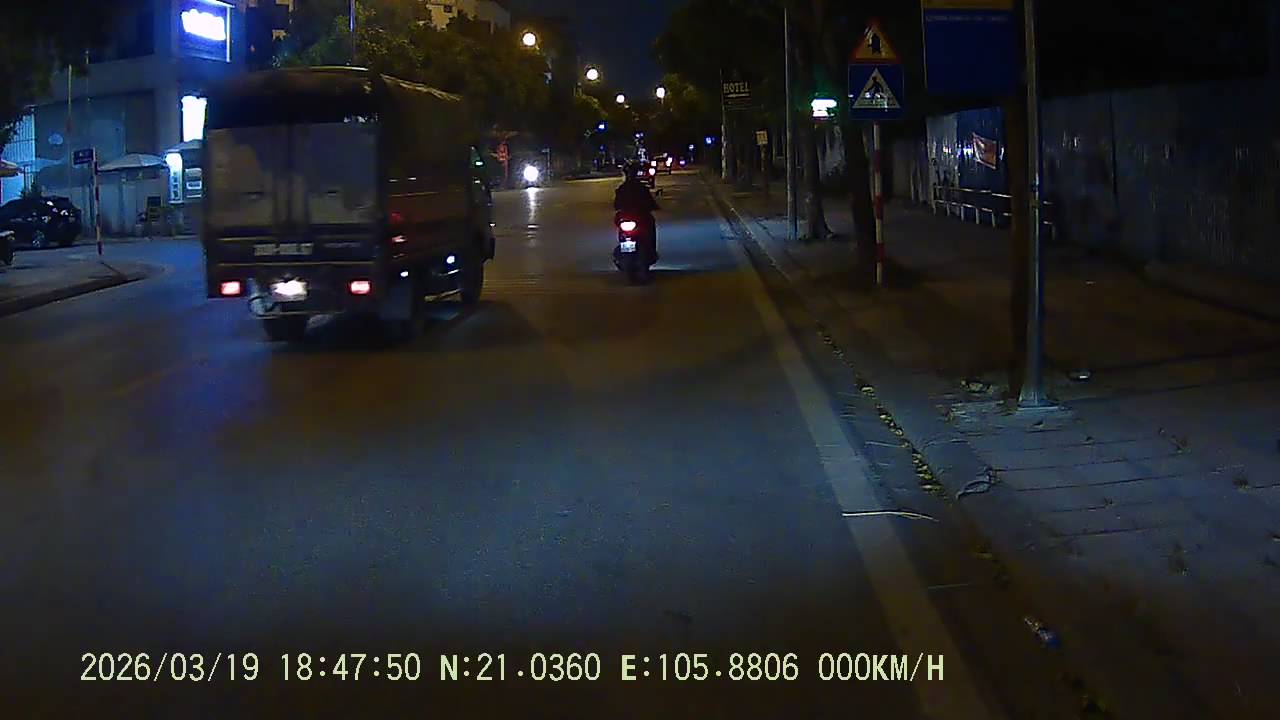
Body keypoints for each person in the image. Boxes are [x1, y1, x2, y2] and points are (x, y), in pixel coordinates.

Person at [614, 162, 660, 263]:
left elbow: (616, 205)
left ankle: (649, 251)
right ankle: (650, 251)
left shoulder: (622, 188)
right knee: (650, 224)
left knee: (649, 224)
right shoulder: (640, 188)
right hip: (633, 217)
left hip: (636, 217)